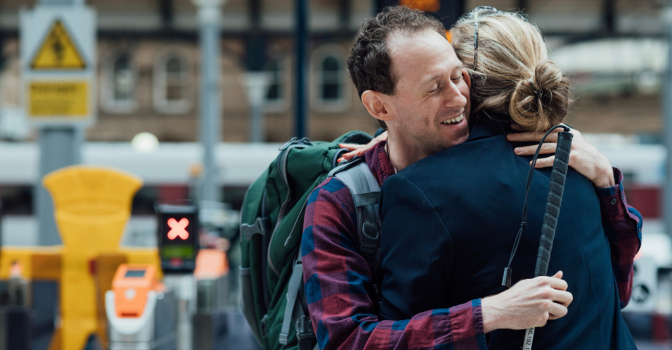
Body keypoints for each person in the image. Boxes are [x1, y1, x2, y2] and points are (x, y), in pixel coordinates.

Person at [301, 6, 640, 350]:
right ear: (379, 107)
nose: (459, 97)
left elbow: (614, 290)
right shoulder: (340, 201)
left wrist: (606, 180)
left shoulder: (557, 163)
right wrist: (488, 313)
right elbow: (345, 341)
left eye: (459, 76)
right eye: (434, 88)